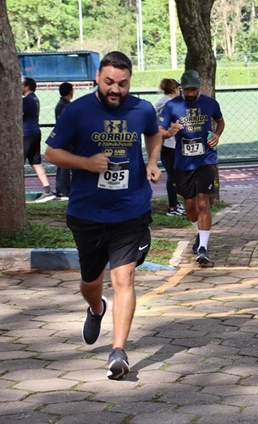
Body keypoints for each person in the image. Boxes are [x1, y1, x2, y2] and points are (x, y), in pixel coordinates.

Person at [44, 51, 162, 380]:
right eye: (109, 82)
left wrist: (153, 162)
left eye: (122, 84)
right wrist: (86, 163)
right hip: (88, 212)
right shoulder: (76, 111)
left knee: (124, 278)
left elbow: (154, 133)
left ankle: (118, 351)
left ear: (130, 81)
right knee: (90, 282)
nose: (115, 89)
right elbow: (51, 152)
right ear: (97, 77)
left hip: (131, 209)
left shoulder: (142, 109)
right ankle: (96, 308)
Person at [158, 70, 225, 267]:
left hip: (206, 159)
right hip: (183, 162)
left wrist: (216, 134)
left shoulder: (210, 103)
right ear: (181, 89)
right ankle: (200, 233)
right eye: (187, 90)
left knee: (203, 203)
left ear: (199, 87)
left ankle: (203, 248)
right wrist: (171, 132)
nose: (190, 93)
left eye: (194, 89)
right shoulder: (172, 106)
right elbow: (159, 131)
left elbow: (220, 121)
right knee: (189, 205)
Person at [154, 79, 185, 217]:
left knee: (174, 175)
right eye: (179, 88)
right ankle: (173, 207)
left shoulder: (163, 102)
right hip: (169, 144)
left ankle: (176, 204)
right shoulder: (168, 104)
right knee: (173, 176)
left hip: (169, 144)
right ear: (174, 89)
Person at [22, 77, 55, 203]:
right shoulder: (35, 98)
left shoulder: (26, 100)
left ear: (27, 87)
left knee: (19, 163)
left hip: (26, 133)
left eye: (22, 85)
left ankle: (16, 192)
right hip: (35, 132)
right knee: (35, 162)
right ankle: (47, 190)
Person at [53, 82, 75, 200]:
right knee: (65, 164)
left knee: (63, 164)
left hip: (64, 138)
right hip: (66, 139)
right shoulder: (64, 106)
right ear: (70, 91)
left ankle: (61, 188)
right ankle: (64, 189)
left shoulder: (63, 105)